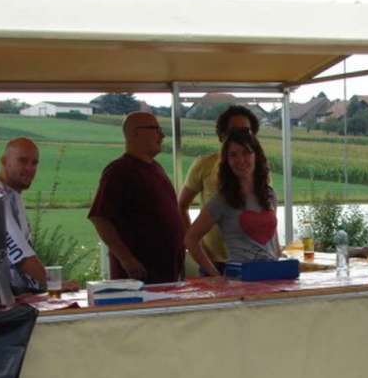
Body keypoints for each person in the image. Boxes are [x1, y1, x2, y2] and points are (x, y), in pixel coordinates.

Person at [88, 112, 184, 283]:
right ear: (135, 133)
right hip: (138, 278)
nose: (162, 135)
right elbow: (100, 218)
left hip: (166, 274)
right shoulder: (119, 171)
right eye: (156, 129)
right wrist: (127, 260)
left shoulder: (156, 168)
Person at [0, 137, 79, 295]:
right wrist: (54, 283)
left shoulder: (12, 192)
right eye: (22, 161)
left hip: (16, 293)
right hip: (6, 296)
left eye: (34, 163)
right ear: (4, 161)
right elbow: (19, 252)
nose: (29, 168)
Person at [184, 128, 280, 276]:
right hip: (241, 279)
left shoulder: (269, 195)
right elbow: (191, 239)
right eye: (233, 155)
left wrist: (280, 262)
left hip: (272, 276)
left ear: (256, 156)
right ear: (227, 161)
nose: (240, 160)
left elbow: (274, 238)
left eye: (246, 153)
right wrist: (215, 275)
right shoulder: (222, 200)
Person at [178, 105, 260, 275]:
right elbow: (181, 205)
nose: (240, 136)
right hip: (215, 261)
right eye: (234, 131)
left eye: (246, 131)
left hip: (253, 263)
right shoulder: (204, 165)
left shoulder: (259, 171)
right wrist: (198, 247)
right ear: (222, 135)